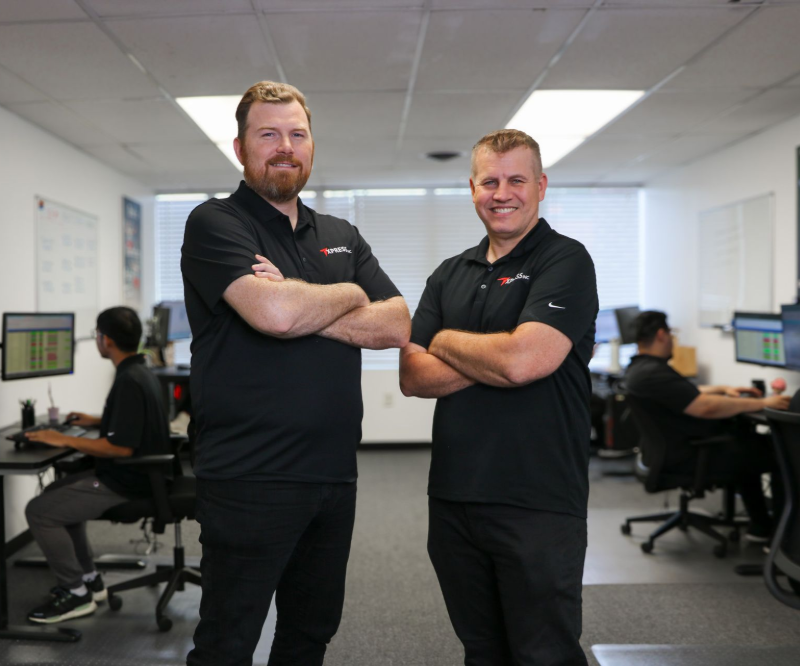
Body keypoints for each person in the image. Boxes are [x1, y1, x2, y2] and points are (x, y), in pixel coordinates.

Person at [181, 80, 410, 666]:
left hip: (333, 477)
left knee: (310, 635)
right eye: (268, 134)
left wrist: (312, 301)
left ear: (311, 146)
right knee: (227, 642)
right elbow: (274, 314)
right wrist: (351, 293)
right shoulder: (215, 223)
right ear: (240, 148)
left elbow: (396, 325)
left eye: (297, 134)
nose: (285, 147)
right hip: (248, 478)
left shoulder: (340, 235)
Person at [400, 129, 598, 666]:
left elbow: (523, 362)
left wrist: (444, 340)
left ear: (540, 186)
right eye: (490, 180)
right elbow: (412, 376)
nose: (502, 192)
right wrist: (500, 353)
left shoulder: (566, 261)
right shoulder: (449, 273)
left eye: (516, 179)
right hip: (455, 498)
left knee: (544, 653)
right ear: (472, 188)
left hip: (537, 500)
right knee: (482, 650)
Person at [24, 306, 171, 624]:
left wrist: (61, 439)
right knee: (55, 492)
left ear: (106, 341)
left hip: (126, 481)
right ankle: (90, 579)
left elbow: (118, 445)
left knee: (40, 511)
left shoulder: (128, 380)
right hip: (138, 474)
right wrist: (94, 420)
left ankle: (75, 593)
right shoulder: (140, 370)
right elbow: (132, 423)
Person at [623, 310, 790, 541]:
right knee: (781, 453)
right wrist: (763, 402)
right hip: (690, 455)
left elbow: (680, 393)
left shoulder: (640, 369)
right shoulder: (653, 372)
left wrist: (722, 389)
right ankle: (785, 538)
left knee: (748, 444)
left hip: (671, 451)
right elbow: (704, 407)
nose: (672, 338)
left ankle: (761, 527)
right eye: (671, 333)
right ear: (662, 334)